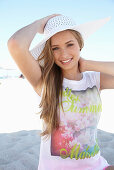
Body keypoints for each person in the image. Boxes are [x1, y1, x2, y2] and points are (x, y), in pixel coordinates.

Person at [7, 14, 114, 170]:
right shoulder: (45, 83)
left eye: (70, 44)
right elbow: (15, 44)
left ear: (80, 44)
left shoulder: (95, 80)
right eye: (55, 48)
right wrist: (40, 23)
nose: (63, 54)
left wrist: (87, 64)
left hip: (97, 165)